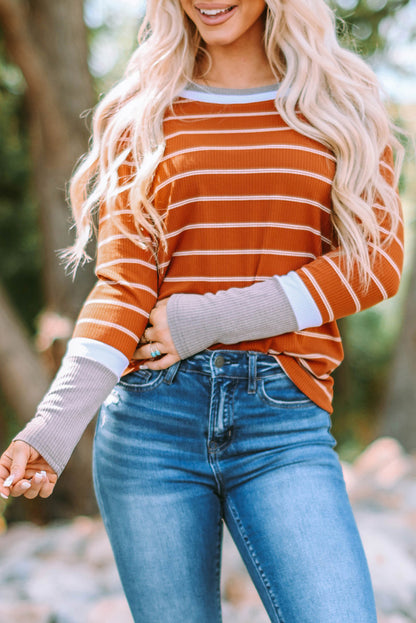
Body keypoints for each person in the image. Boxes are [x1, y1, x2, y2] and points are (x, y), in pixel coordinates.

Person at [0, 1, 404, 621]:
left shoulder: (341, 99)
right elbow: (124, 289)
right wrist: (52, 430)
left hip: (281, 421)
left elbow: (374, 262)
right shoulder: (143, 108)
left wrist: (212, 317)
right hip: (149, 427)